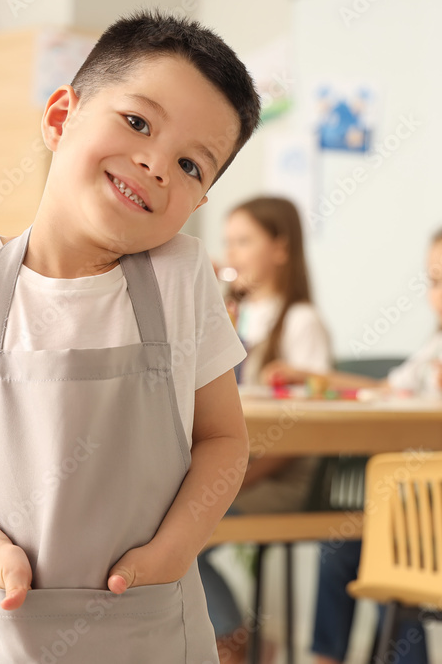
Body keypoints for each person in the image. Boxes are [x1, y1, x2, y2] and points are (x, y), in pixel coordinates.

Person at [0, 10, 261, 662]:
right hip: (8, 623)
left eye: (192, 164)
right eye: (137, 122)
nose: (155, 163)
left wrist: (168, 555)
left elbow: (224, 439)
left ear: (199, 202)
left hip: (157, 622)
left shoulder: (182, 276)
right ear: (60, 118)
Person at [265, 224, 442, 664]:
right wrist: (315, 378)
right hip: (432, 511)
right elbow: (386, 390)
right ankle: (325, 657)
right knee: (339, 547)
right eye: (434, 282)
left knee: (391, 554)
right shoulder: (439, 348)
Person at [200, 196, 332, 662]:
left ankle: (237, 642)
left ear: (281, 248)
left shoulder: (300, 321)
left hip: (281, 476)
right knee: (162, 521)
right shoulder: (236, 314)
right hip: (240, 469)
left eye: (244, 241)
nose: (231, 254)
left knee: (181, 528)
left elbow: (306, 433)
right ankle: (241, 640)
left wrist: (230, 480)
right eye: (227, 242)